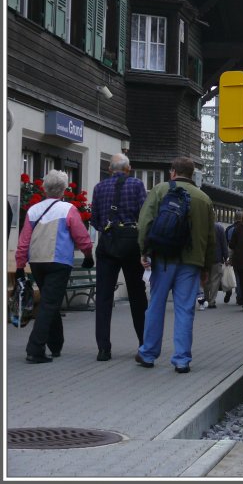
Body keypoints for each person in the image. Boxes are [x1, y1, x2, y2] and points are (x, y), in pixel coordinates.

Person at [136, 157, 215, 373]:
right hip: (191, 263)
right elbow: (210, 237)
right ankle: (181, 359)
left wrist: (144, 251)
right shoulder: (204, 199)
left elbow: (145, 223)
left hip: (163, 259)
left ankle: (148, 353)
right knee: (185, 309)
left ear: (172, 172)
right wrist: (206, 267)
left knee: (156, 306)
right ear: (192, 174)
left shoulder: (160, 190)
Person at [15, 170, 94, 363]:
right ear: (64, 189)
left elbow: (24, 241)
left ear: (45, 188)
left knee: (51, 301)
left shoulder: (33, 210)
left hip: (37, 262)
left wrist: (20, 264)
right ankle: (35, 349)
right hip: (59, 262)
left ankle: (56, 344)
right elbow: (81, 235)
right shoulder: (68, 209)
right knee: (49, 304)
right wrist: (88, 254)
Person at [89, 153, 149, 361]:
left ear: (109, 169)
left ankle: (103, 349)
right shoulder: (136, 185)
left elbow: (94, 219)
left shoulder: (99, 187)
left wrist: (108, 229)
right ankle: (144, 344)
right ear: (128, 169)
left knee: (104, 297)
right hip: (131, 244)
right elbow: (145, 215)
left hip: (107, 243)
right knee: (137, 295)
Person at [199, 221, 228, 309]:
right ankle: (212, 301)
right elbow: (224, 244)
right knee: (215, 280)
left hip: (205, 258)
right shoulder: (219, 228)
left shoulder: (202, 227)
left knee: (206, 280)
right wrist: (226, 257)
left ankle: (206, 299)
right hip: (217, 258)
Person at [224, 211, 242, 304]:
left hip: (230, 253)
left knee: (230, 274)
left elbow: (226, 243)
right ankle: (239, 296)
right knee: (239, 277)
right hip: (241, 255)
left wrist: (227, 257)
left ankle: (228, 290)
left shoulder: (229, 229)